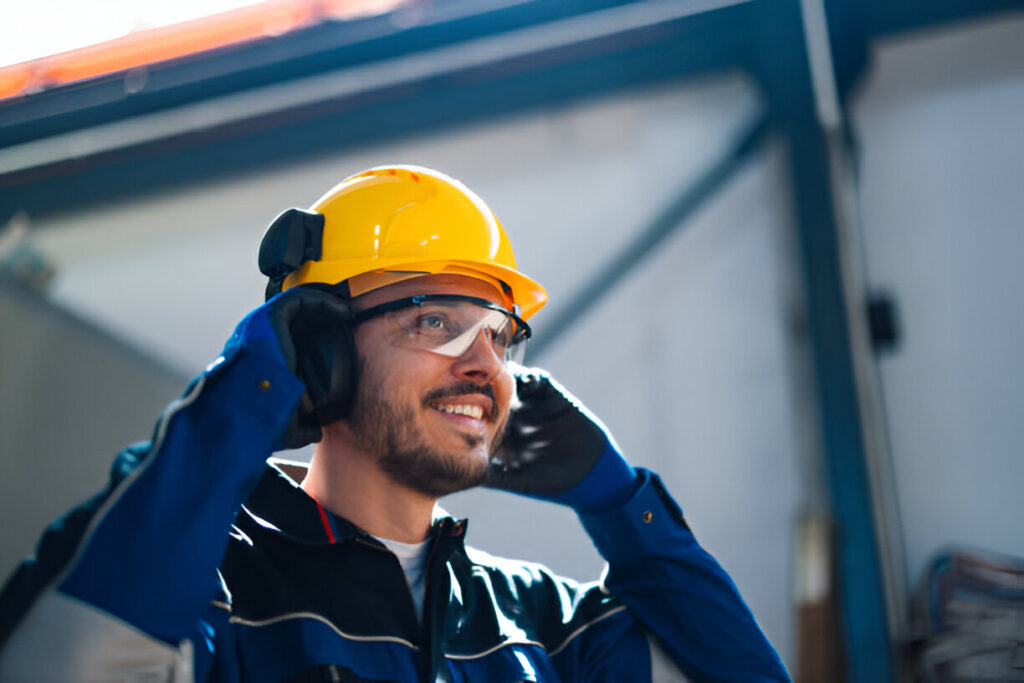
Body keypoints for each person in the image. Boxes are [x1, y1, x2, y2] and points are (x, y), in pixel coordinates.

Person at [0, 166, 789, 681]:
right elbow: (61, 661)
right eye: (436, 322)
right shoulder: (218, 589)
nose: (485, 364)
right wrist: (231, 415)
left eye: (500, 335)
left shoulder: (546, 629)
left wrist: (623, 508)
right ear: (322, 350)